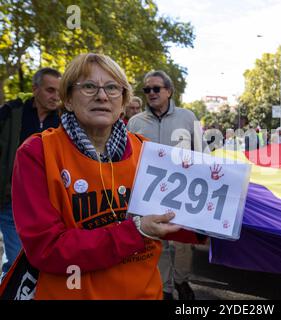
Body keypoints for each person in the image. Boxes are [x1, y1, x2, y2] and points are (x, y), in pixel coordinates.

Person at [8, 53, 199, 300]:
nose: (102, 95)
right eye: (88, 86)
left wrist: (219, 213)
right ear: (67, 98)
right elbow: (47, 248)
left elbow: (172, 219)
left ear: (123, 100)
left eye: (112, 88)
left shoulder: (147, 151)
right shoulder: (36, 153)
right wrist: (135, 232)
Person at [127, 70, 206, 300]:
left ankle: (182, 281)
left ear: (169, 91)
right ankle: (165, 288)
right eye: (147, 90)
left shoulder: (188, 117)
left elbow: (202, 154)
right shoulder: (134, 122)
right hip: (148, 194)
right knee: (155, 240)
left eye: (156, 89)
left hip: (183, 192)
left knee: (182, 243)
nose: (151, 93)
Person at [0, 68, 61, 280]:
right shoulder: (11, 113)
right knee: (16, 259)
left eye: (59, 91)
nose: (56, 96)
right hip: (11, 200)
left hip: (47, 204)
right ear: (35, 89)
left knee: (40, 259)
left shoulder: (65, 120)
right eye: (50, 90)